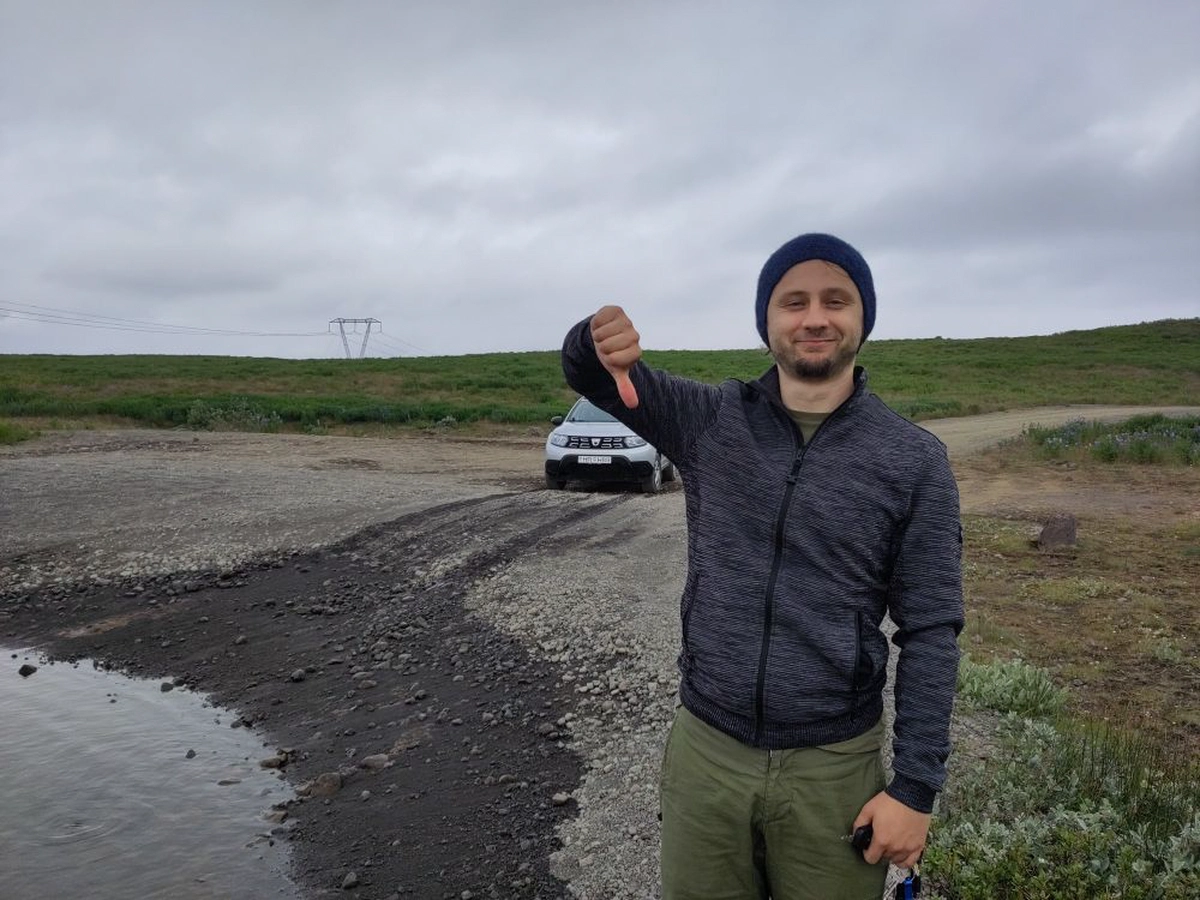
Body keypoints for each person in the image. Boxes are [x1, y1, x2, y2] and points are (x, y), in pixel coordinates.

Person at [561, 233, 964, 900]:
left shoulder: (913, 461)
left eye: (836, 300)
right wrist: (595, 339)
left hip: (834, 767)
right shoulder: (710, 420)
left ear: (863, 317)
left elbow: (931, 629)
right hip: (707, 752)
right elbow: (593, 377)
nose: (814, 318)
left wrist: (915, 790)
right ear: (766, 321)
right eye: (793, 301)